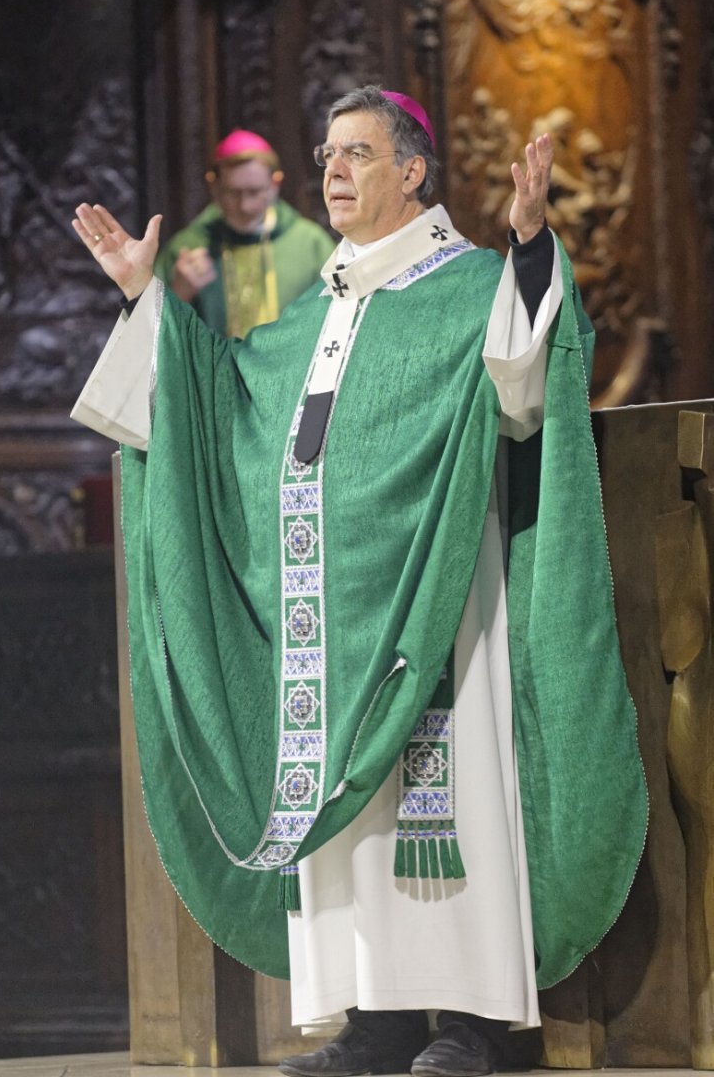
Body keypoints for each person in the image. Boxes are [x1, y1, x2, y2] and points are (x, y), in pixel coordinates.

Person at [70, 86, 647, 1077]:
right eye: (327, 154)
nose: (333, 172)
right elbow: (230, 394)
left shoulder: (467, 284)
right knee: (352, 824)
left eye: (358, 154)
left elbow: (521, 393)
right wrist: (145, 301)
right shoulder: (322, 306)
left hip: (435, 611)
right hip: (322, 623)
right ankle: (375, 1021)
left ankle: (477, 1027)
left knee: (448, 810)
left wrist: (529, 249)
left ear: (414, 172)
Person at [154, 128, 334, 336]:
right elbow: (152, 333)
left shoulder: (310, 244)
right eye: (233, 193)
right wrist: (180, 291)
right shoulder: (188, 246)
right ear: (214, 186)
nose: (245, 206)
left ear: (275, 184)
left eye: (254, 192)